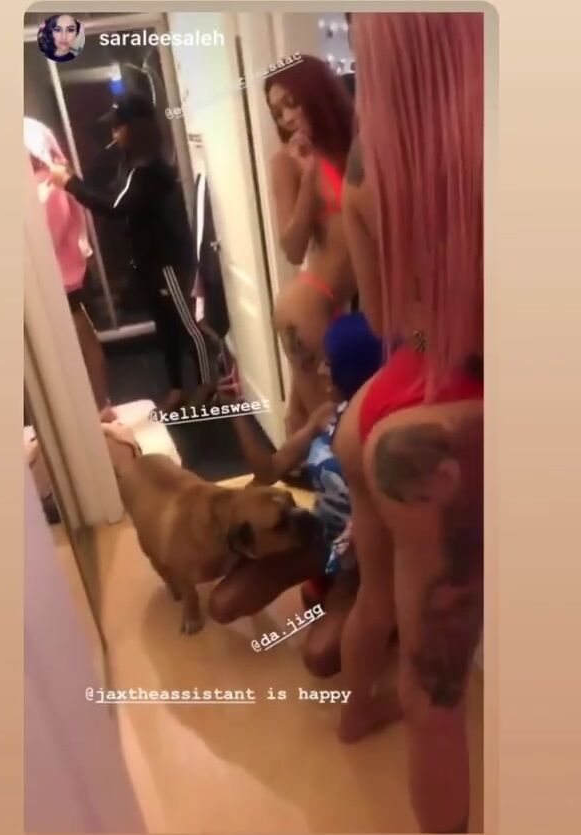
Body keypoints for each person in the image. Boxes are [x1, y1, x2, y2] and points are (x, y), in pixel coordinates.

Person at [334, 14, 484, 834]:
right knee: (439, 692)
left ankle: (356, 709)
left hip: (387, 401)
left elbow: (385, 317)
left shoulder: (368, 158)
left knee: (379, 596)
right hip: (459, 412)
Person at [208, 313, 383, 678]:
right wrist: (237, 409)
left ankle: (378, 615)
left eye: (329, 363)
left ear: (353, 371)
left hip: (365, 558)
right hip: (319, 535)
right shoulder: (326, 415)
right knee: (223, 605)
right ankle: (330, 593)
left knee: (320, 658)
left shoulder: (385, 432)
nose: (320, 370)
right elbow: (270, 470)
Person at [49, 93, 214, 412]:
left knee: (186, 324)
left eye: (118, 127)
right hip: (149, 262)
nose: (113, 133)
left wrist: (70, 183)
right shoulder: (130, 166)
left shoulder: (150, 171)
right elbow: (111, 194)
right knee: (164, 326)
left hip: (167, 263)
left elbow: (114, 206)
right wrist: (75, 179)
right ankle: (177, 388)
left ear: (135, 128)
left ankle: (208, 383)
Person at [264, 55, 356, 439]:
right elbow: (292, 249)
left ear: (315, 93)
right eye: (277, 111)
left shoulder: (353, 147)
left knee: (302, 423)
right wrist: (308, 178)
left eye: (291, 103)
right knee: (333, 428)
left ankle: (281, 473)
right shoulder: (286, 163)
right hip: (308, 305)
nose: (286, 117)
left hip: (346, 306)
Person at [24, 116, 115, 421]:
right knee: (74, 337)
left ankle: (99, 409)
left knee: (75, 338)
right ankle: (97, 408)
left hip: (57, 278)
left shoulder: (48, 187)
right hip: (59, 276)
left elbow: (47, 240)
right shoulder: (46, 184)